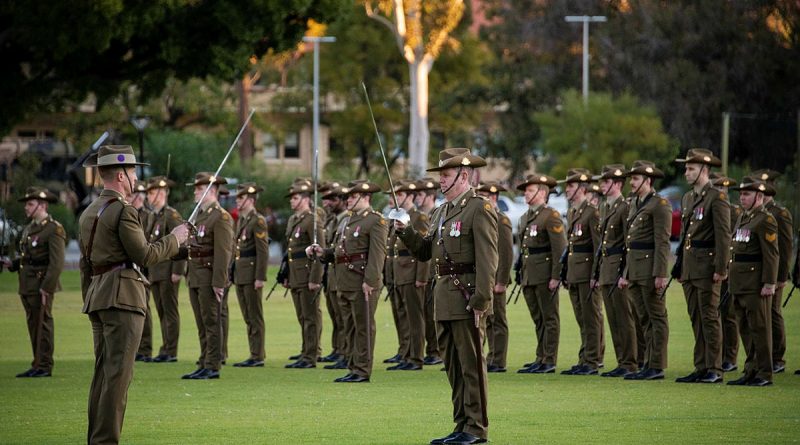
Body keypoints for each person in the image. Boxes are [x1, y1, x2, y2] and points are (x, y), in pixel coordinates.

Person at [78, 145, 189, 444]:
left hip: (98, 297)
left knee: (102, 376)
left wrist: (89, 297)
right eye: (133, 171)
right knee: (117, 379)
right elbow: (145, 255)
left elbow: (85, 265)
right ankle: (106, 441)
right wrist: (175, 239)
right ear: (122, 174)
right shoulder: (124, 210)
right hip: (123, 299)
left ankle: (96, 438)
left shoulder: (88, 212)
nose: (136, 177)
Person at [390, 148, 496, 445]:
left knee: (472, 366)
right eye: (440, 176)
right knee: (453, 367)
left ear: (463, 176)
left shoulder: (479, 208)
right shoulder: (440, 212)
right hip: (443, 298)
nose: (441, 182)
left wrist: (481, 301)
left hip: (467, 299)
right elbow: (426, 252)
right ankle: (461, 424)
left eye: (445, 176)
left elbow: (489, 259)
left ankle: (476, 429)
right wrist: (405, 231)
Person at [309, 179, 388, 383]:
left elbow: (377, 255)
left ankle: (362, 369)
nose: (348, 200)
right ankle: (354, 366)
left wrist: (370, 281)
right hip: (345, 280)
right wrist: (321, 252)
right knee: (350, 326)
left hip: (362, 281)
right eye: (348, 197)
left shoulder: (375, 220)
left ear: (366, 197)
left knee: (363, 326)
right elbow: (340, 251)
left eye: (353, 197)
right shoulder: (349, 220)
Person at [674, 149, 730, 384]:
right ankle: (701, 365)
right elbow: (686, 234)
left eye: (691, 169)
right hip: (690, 267)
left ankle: (714, 368)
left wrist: (721, 268)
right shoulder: (688, 198)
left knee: (709, 317)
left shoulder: (716, 198)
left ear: (704, 170)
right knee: (696, 317)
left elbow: (723, 236)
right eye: (686, 168)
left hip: (707, 267)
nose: (686, 173)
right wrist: (679, 265)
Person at [3, 186, 65, 378]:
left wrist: (47, 288)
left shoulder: (53, 229)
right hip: (27, 285)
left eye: (30, 204)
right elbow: (27, 257)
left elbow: (56, 263)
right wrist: (11, 264)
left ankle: (44, 365)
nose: (26, 208)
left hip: (41, 285)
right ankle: (37, 362)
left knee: (43, 324)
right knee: (33, 325)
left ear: (42, 205)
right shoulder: (30, 228)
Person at [619, 161, 671, 381]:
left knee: (657, 317)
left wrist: (661, 273)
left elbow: (662, 241)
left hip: (650, 270)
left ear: (648, 181)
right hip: (636, 270)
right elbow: (630, 242)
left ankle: (657, 365)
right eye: (632, 178)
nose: (632, 182)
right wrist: (626, 272)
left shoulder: (659, 205)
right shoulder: (635, 203)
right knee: (644, 318)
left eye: (636, 179)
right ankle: (647, 362)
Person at [726, 177, 779, 387]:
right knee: (745, 328)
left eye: (746, 194)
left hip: (755, 284)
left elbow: (771, 255)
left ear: (759, 196)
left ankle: (765, 373)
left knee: (760, 328)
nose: (742, 197)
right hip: (740, 283)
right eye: (741, 194)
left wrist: (769, 283)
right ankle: (751, 369)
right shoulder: (743, 218)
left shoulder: (765, 220)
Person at [181, 172, 234, 380]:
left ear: (211, 191)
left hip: (209, 276)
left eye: (199, 188)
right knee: (201, 323)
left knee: (211, 322)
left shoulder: (220, 217)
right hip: (195, 276)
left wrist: (219, 282)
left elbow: (223, 253)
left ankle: (213, 365)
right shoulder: (199, 216)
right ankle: (204, 361)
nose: (195, 191)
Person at [591, 165, 639, 378]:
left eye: (606, 181)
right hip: (607, 268)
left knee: (624, 317)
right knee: (613, 318)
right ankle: (622, 360)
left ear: (618, 184)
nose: (602, 184)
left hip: (618, 267)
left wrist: (625, 272)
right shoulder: (605, 207)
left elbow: (629, 242)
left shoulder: (624, 206)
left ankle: (630, 361)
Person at [516, 174, 566, 374]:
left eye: (530, 190)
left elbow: (559, 249)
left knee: (549, 318)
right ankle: (541, 356)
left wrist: (556, 276)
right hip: (530, 274)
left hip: (545, 275)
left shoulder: (550, 216)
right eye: (526, 190)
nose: (526, 194)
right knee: (538, 319)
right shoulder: (525, 217)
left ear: (542, 193)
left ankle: (549, 359)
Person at [558, 169, 603, 376]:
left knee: (591, 318)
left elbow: (597, 247)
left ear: (582, 188)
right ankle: (584, 358)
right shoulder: (574, 212)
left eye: (571, 186)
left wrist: (595, 275)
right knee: (582, 319)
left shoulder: (591, 212)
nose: (567, 189)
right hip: (575, 273)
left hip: (587, 273)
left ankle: (592, 361)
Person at [386, 179, 430, 371]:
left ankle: (416, 357)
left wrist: (421, 277)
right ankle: (406, 353)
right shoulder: (396, 217)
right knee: (402, 316)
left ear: (410, 197)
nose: (394, 199)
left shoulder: (418, 217)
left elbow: (423, 247)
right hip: (399, 272)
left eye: (400, 195)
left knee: (415, 317)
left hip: (412, 272)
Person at [752, 169, 793, 374]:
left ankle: (778, 357)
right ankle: (763, 357)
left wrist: (781, 276)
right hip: (756, 274)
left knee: (774, 313)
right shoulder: (754, 213)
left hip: (774, 274)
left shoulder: (779, 213)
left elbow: (784, 249)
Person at [283, 179, 325, 369]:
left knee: (311, 317)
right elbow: (291, 250)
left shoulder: (312, 220)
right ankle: (306, 350)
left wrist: (315, 278)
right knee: (302, 316)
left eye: (296, 197)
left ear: (306, 199)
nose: (292, 201)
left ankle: (311, 355)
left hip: (307, 274)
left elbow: (319, 250)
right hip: (295, 274)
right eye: (291, 198)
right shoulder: (294, 220)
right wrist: (286, 274)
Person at [144, 176, 186, 363]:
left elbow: (180, 243)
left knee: (170, 311)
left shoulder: (171, 215)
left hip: (168, 271)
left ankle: (171, 349)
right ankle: (165, 347)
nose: (149, 196)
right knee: (161, 310)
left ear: (162, 193)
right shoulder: (155, 216)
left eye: (152, 192)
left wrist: (178, 270)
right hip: (155, 271)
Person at [231, 182, 269, 367]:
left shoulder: (257, 220)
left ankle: (257, 355)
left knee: (254, 315)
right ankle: (254, 352)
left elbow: (262, 251)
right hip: (241, 274)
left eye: (241, 197)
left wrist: (260, 277)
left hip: (252, 273)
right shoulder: (242, 220)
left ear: (250, 199)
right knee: (247, 315)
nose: (237, 201)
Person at [476, 181, 513, 373]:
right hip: (485, 278)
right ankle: (489, 357)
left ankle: (498, 360)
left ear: (494, 197)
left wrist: (502, 281)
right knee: (487, 319)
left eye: (485, 195)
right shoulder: (484, 218)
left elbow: (506, 253)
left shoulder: (501, 220)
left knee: (497, 320)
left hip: (496, 278)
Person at [709, 173, 742, 372]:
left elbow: (733, 242)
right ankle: (717, 355)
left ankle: (730, 357)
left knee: (728, 313)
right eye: (718, 188)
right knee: (716, 312)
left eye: (724, 189)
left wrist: (726, 267)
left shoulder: (734, 211)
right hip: (711, 264)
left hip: (728, 267)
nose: (722, 192)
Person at [320, 184, 350, 370]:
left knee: (344, 316)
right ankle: (339, 349)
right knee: (336, 316)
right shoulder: (333, 220)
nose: (328, 203)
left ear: (342, 201)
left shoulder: (345, 219)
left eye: (333, 199)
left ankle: (346, 352)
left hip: (342, 274)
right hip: (332, 273)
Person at [414, 177, 443, 366]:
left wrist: (423, 276)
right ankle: (432, 349)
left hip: (435, 272)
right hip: (431, 271)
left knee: (433, 315)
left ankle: (436, 350)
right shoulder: (430, 215)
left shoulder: (433, 215)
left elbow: (430, 249)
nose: (417, 198)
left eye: (421, 194)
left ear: (430, 196)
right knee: (427, 313)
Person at [131, 180, 154, 362]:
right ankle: (138, 347)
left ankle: (145, 348)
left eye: (138, 195)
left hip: (145, 267)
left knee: (145, 308)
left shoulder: (148, 216)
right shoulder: (128, 214)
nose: (135, 198)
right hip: (133, 267)